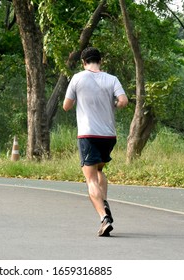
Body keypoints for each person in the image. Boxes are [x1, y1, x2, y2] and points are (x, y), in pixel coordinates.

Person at [63, 47, 128, 237]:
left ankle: (104, 218)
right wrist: (112, 104)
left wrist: (78, 99)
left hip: (88, 134)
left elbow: (66, 106)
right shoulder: (112, 79)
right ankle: (104, 202)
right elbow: (123, 101)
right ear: (100, 61)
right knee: (99, 171)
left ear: (83, 62)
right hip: (108, 136)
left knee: (90, 178)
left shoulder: (77, 78)